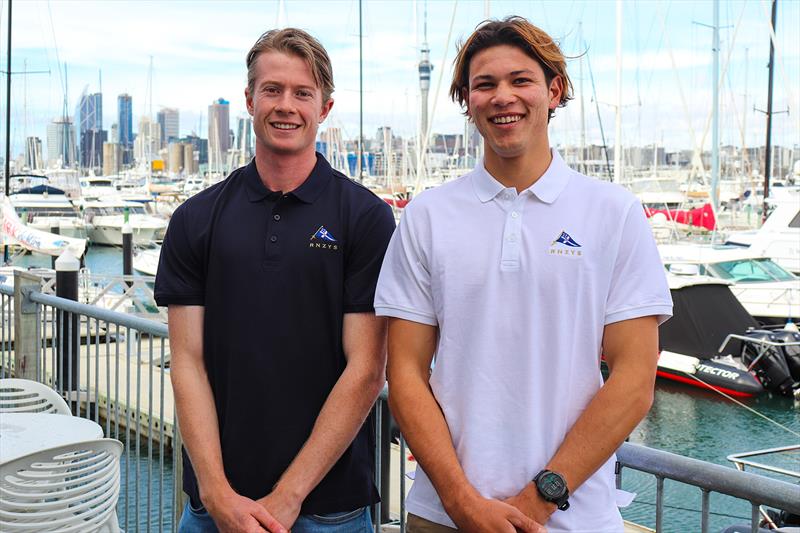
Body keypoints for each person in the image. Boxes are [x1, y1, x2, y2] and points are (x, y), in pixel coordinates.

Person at [375, 16, 672, 533]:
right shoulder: (428, 215)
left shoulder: (614, 213)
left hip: (575, 517)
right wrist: (462, 502)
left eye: (521, 80)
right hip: (443, 517)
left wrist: (541, 498)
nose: (502, 96)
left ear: (554, 91)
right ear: (467, 101)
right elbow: (403, 374)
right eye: (484, 84)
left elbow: (633, 381)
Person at [155, 28, 395, 533]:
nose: (286, 105)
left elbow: (367, 370)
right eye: (273, 90)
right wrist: (216, 492)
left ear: (325, 108)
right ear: (249, 99)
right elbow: (187, 362)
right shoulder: (195, 219)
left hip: (331, 510)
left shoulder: (365, 218)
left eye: (302, 93)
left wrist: (288, 497)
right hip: (212, 510)